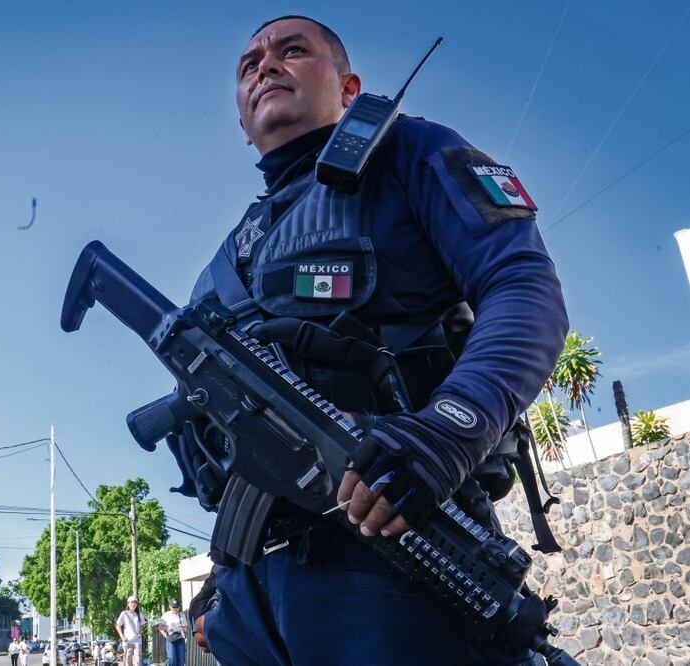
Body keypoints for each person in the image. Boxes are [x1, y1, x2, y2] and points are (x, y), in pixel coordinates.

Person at [171, 15, 569, 666]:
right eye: (249, 65)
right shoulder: (225, 262)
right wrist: (226, 582)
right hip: (246, 594)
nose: (265, 65)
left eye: (291, 51)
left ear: (349, 88)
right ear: (242, 124)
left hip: (392, 553)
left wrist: (445, 432)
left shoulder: (414, 155)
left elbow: (523, 286)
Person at [113, 597, 143, 666]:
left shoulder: (139, 614)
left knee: (138, 661)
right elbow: (118, 625)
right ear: (128, 604)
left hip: (137, 641)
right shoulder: (124, 613)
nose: (133, 604)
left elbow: (142, 624)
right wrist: (122, 636)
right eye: (132, 602)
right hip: (127, 641)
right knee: (128, 661)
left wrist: (140, 632)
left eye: (135, 602)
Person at [156, 600, 187, 666]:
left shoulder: (181, 615)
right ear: (170, 607)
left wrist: (182, 626)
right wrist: (167, 628)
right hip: (170, 638)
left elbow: (186, 629)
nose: (175, 609)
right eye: (173, 607)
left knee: (181, 660)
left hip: (180, 638)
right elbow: (160, 627)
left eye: (177, 607)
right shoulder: (166, 615)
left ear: (179, 607)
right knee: (172, 659)